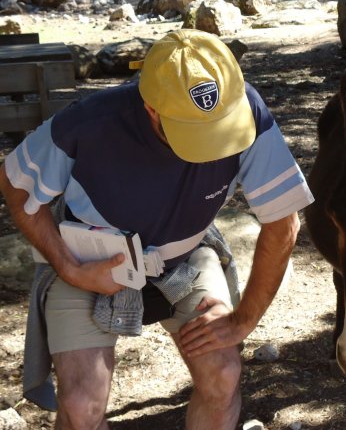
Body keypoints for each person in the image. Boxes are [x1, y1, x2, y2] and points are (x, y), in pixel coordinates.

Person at [0, 29, 314, 430]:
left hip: (185, 255)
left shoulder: (248, 110)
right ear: (150, 109)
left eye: (221, 129)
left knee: (222, 374)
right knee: (81, 406)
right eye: (197, 135)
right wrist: (70, 268)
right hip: (90, 259)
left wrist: (244, 320)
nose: (213, 151)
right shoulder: (90, 122)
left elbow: (284, 221)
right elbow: (14, 181)